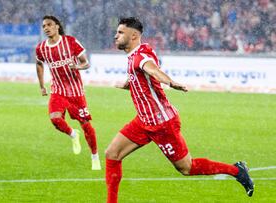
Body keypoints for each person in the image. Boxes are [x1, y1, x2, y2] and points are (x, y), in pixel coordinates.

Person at [105, 17, 254, 203]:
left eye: (120, 32)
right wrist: (129, 84)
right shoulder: (139, 52)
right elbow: (145, 76)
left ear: (133, 35)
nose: (115, 36)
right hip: (143, 121)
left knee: (187, 168)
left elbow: (153, 71)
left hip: (162, 124)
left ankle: (237, 170)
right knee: (112, 154)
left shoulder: (140, 57)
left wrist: (170, 82)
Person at [35, 15, 101, 170]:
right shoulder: (41, 48)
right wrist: (41, 85)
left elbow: (85, 63)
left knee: (86, 125)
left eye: (49, 25)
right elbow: (39, 64)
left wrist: (76, 67)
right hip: (58, 90)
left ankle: (95, 156)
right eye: (44, 26)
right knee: (55, 120)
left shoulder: (70, 42)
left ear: (57, 26)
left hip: (76, 92)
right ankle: (73, 134)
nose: (46, 28)